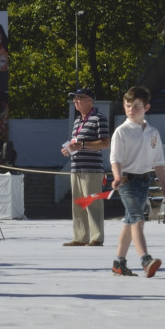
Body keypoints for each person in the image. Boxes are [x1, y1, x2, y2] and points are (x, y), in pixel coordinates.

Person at [108, 86, 165, 277]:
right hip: (127, 181)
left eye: (136, 106)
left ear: (146, 107)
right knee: (138, 219)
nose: (131, 109)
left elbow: (158, 162)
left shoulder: (153, 133)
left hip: (144, 181)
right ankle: (145, 259)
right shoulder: (121, 131)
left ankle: (119, 263)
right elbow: (115, 158)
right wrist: (117, 176)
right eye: (128, 105)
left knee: (129, 223)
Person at [60, 87, 109, 247]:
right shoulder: (77, 122)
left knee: (92, 203)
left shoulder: (98, 118)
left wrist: (81, 145)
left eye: (80, 98)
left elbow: (105, 143)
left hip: (92, 169)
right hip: (77, 168)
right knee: (78, 203)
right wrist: (69, 149)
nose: (76, 101)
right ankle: (80, 237)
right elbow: (77, 143)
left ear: (90, 101)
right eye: (75, 98)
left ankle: (96, 237)